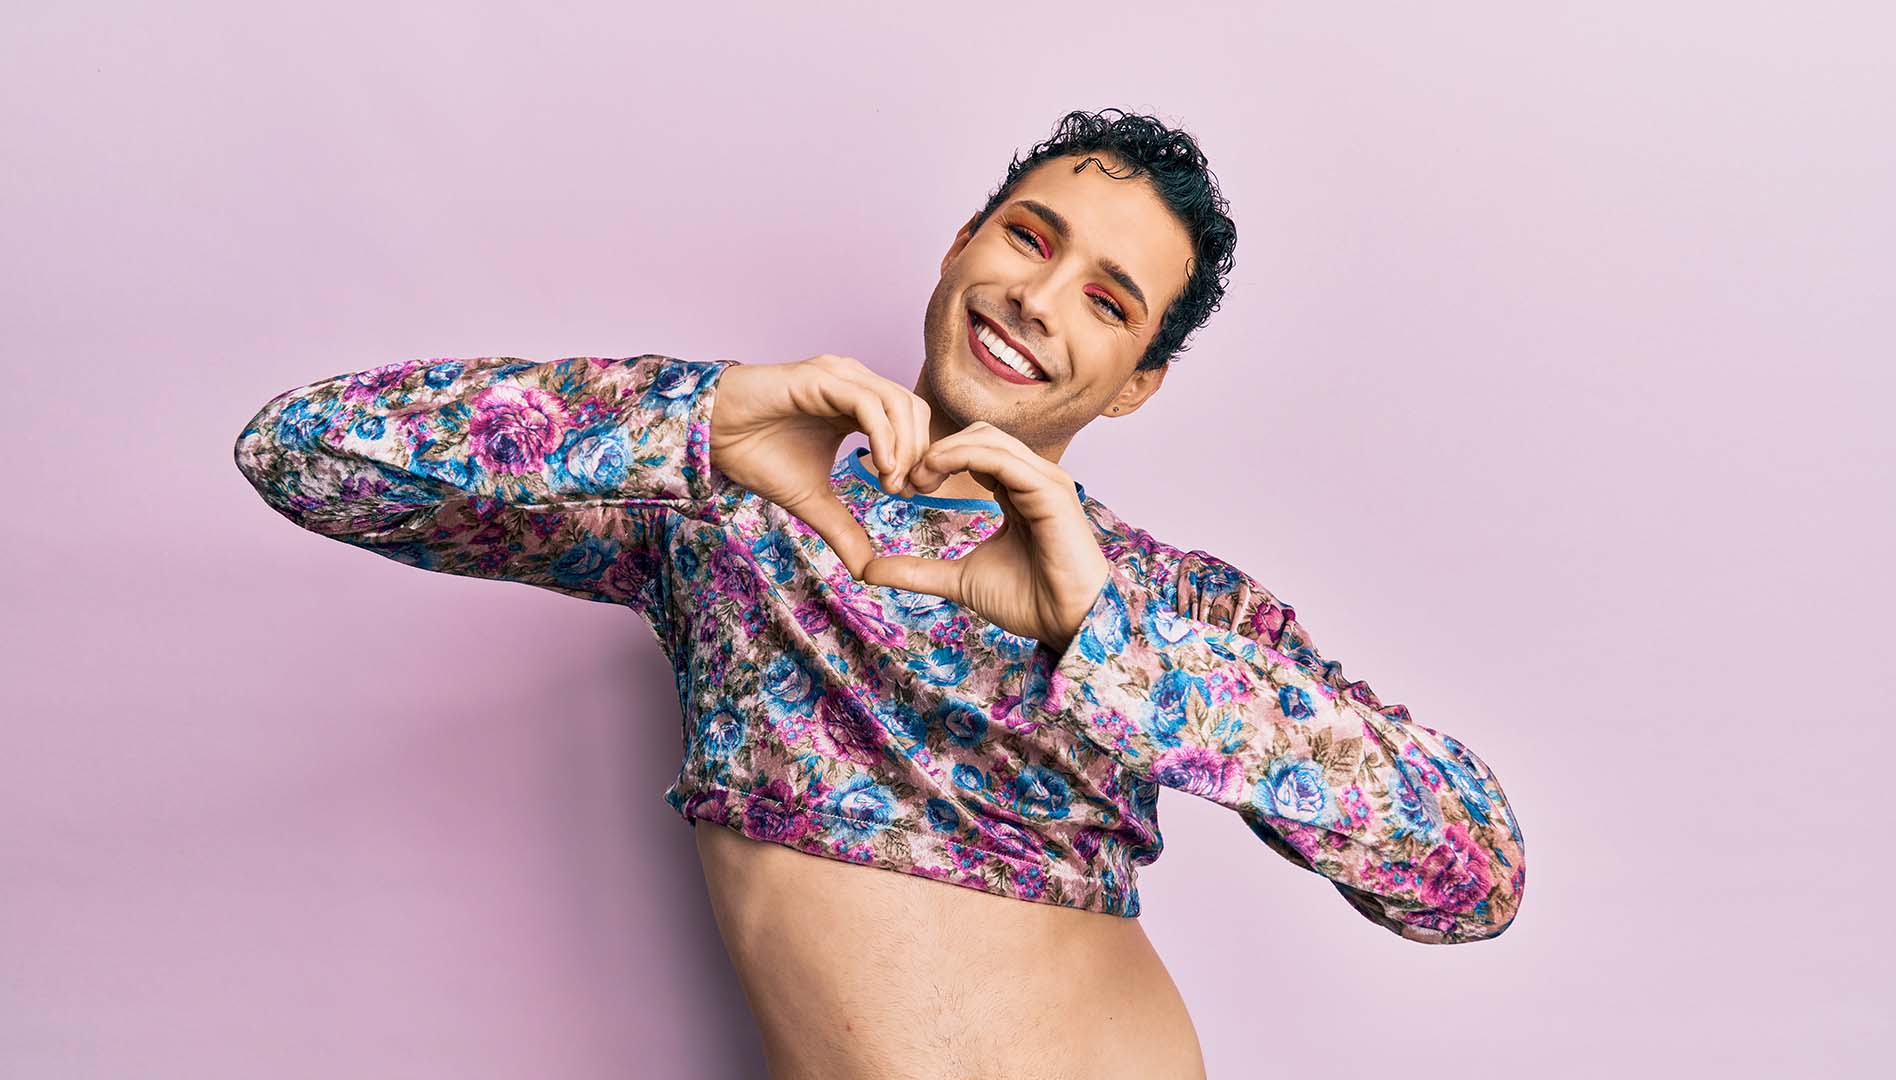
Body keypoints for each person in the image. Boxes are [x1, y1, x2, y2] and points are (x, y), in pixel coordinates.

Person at [232, 108, 1526, 1079]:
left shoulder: (1161, 605)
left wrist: (1113, 641)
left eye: (1109, 300)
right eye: (1030, 234)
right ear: (965, 241)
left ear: (1136, 384)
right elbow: (307, 460)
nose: (1037, 293)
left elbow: (1471, 877)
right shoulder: (730, 504)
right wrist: (702, 413)